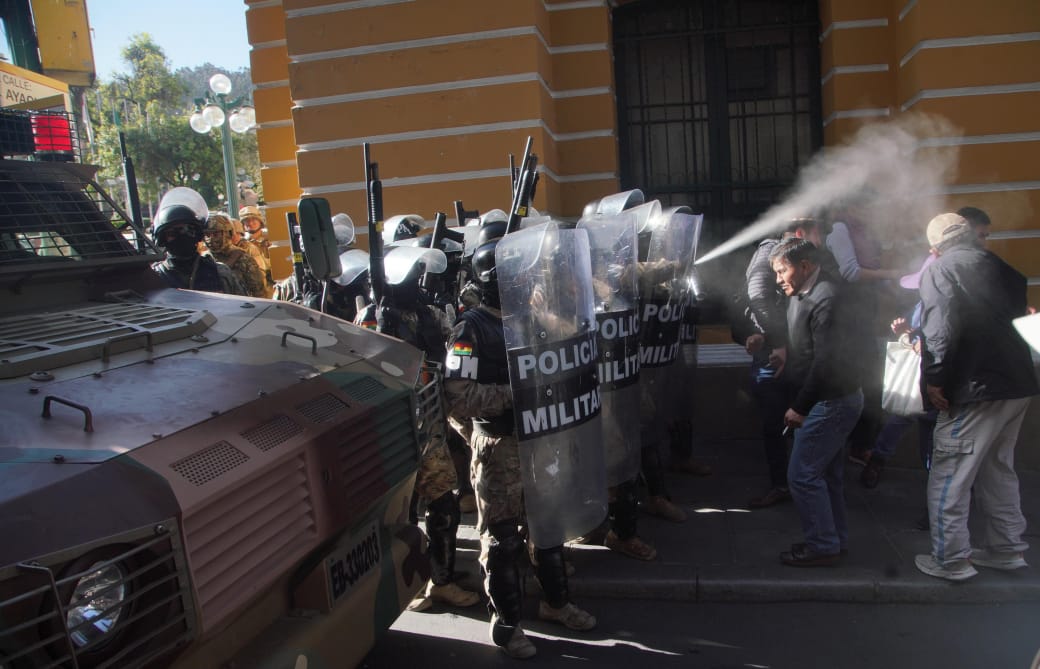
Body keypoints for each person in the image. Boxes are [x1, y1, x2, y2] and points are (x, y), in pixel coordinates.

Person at [443, 236, 596, 660]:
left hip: (540, 440)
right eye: (516, 276)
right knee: (503, 538)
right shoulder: (470, 329)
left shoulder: (531, 318)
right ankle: (508, 625)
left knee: (548, 527)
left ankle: (556, 603)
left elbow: (567, 351)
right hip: (500, 446)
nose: (526, 282)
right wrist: (514, 394)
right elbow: (457, 396)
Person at [913, 212, 1039, 581]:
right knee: (998, 469)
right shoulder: (1002, 267)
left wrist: (935, 380)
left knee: (950, 474)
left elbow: (939, 329)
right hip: (1017, 384)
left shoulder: (941, 269)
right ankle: (1007, 549)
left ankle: (950, 559)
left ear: (935, 249)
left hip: (975, 388)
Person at [356, 246, 481, 612]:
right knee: (403, 512)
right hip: (392, 430)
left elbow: (451, 354)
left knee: (444, 505)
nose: (415, 282)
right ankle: (409, 583)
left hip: (429, 423)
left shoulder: (429, 313)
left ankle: (440, 580)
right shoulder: (372, 316)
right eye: (409, 276)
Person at [770, 237, 864, 566]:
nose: (778, 279)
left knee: (802, 475)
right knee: (826, 475)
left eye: (782, 271)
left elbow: (826, 362)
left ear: (805, 266)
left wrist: (800, 407)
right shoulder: (808, 292)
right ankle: (833, 539)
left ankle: (823, 545)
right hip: (830, 400)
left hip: (830, 402)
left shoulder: (827, 297)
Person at [151, 187, 245, 295]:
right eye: (172, 233)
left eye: (188, 230)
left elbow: (243, 303)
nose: (182, 237)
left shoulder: (220, 273)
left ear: (198, 234)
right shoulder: (154, 277)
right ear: (162, 238)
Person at [205, 213, 268, 298]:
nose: (211, 238)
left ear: (228, 233)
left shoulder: (242, 257)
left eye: (216, 234)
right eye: (207, 235)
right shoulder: (204, 260)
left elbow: (259, 292)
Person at [232, 217, 271, 296]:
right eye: (231, 234)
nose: (235, 236)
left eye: (238, 233)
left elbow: (260, 273)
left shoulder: (250, 248)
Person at [239, 204, 274, 289]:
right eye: (247, 221)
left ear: (260, 221)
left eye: (253, 219)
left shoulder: (271, 238)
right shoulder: (242, 243)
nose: (251, 223)